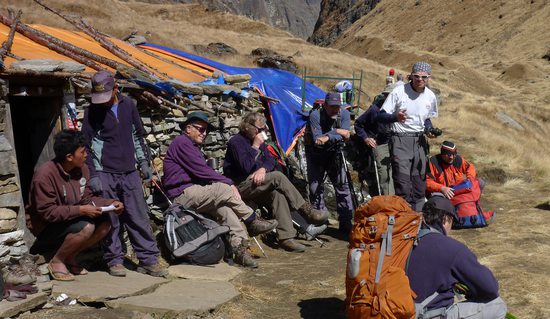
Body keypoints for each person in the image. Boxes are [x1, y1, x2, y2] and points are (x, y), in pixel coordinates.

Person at [162, 111, 278, 268]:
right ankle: (252, 220)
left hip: (197, 194)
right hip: (182, 195)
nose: (204, 133)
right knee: (223, 188)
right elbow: (201, 171)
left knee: (227, 212)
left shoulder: (193, 146)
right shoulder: (182, 142)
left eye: (206, 130)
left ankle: (240, 251)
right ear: (188, 128)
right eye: (200, 129)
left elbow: (202, 172)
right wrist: (229, 183)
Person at [81, 70, 167, 277]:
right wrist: (93, 175)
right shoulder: (92, 111)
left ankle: (148, 260)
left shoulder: (129, 106)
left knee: (138, 216)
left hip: (129, 172)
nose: (102, 102)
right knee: (110, 219)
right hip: (104, 172)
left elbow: (137, 136)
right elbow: (86, 147)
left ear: (116, 89)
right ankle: (114, 260)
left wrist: (144, 164)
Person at [26, 130, 124, 281]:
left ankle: (70, 256)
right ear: (69, 157)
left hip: (70, 219)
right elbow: (48, 212)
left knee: (105, 223)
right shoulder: (44, 175)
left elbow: (87, 198)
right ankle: (57, 261)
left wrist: (110, 203)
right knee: (87, 226)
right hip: (46, 227)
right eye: (83, 152)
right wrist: (81, 210)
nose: (86, 155)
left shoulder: (81, 169)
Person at [223, 112, 329, 252]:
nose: (261, 132)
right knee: (277, 177)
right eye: (259, 129)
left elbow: (270, 160)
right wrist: (255, 147)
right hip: (240, 185)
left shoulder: (259, 141)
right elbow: (246, 166)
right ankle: (306, 211)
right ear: (248, 126)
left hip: (257, 183)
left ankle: (286, 238)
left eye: (263, 129)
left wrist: (262, 169)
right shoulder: (236, 142)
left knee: (277, 195)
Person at [407, 195, 507, 319]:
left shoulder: (403, 242)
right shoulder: (452, 248)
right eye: (452, 222)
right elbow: (491, 288)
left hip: (394, 311)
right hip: (426, 314)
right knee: (497, 306)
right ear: (446, 219)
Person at [377, 61, 439, 210]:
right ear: (411, 76)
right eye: (416, 76)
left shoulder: (430, 96)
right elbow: (381, 116)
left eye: (424, 77)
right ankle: (403, 221)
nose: (420, 80)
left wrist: (429, 129)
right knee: (403, 185)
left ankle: (417, 221)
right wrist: (395, 118)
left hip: (420, 142)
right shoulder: (399, 92)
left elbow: (426, 119)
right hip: (400, 139)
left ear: (429, 78)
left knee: (419, 185)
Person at [304, 92, 353, 234]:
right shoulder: (315, 115)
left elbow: (347, 135)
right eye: (331, 106)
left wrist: (330, 134)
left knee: (343, 187)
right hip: (315, 155)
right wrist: (338, 133)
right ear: (325, 105)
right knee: (315, 188)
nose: (334, 109)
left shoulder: (344, 114)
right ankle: (321, 220)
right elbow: (317, 139)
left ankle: (346, 221)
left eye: (337, 106)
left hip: (335, 154)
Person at [353, 83, 395, 196]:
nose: (389, 98)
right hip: (379, 144)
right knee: (384, 174)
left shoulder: (399, 110)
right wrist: (366, 138)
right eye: (387, 95)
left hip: (395, 144)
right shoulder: (374, 110)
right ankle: (388, 201)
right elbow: (358, 124)